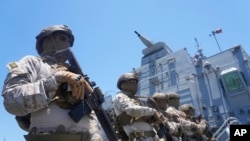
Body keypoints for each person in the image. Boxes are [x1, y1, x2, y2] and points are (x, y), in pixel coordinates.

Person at [2, 24, 103, 141]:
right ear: (47, 40)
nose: (67, 43)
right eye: (62, 38)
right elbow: (11, 100)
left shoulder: (76, 73)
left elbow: (90, 115)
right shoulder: (34, 63)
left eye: (69, 41)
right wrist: (56, 79)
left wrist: (96, 135)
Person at [113, 72, 161, 141]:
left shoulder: (138, 100)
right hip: (139, 138)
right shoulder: (120, 97)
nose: (135, 85)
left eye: (135, 83)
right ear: (123, 84)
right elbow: (131, 110)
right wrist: (153, 111)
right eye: (132, 82)